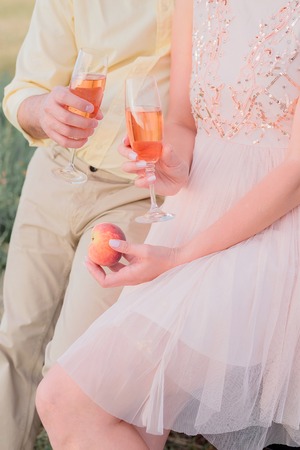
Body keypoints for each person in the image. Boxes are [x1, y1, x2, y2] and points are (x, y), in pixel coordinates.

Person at [35, 0, 300, 449]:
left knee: (67, 399)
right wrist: (168, 163)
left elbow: (295, 175)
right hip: (191, 216)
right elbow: (181, 121)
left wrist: (179, 258)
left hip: (271, 232)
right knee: (117, 414)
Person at [1, 1, 174, 449]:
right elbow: (24, 90)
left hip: (138, 193)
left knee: (72, 368)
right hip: (57, 171)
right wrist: (42, 110)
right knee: (15, 337)